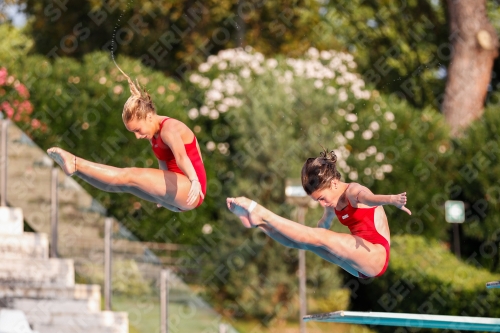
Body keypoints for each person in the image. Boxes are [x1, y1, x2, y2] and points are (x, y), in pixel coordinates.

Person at [226, 149, 411, 278]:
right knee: (305, 244)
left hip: (375, 254)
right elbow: (323, 227)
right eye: (317, 201)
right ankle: (259, 222)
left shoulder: (353, 192)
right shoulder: (331, 204)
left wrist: (391, 199)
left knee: (318, 238)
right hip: (360, 267)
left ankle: (258, 210)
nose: (322, 203)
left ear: (333, 183)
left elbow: (369, 198)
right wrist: (313, 233)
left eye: (321, 198)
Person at [47, 67, 206, 213]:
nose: (137, 136)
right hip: (179, 194)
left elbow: (181, 158)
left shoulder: (169, 129)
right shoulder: (153, 133)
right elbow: (164, 165)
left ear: (149, 117)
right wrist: (162, 194)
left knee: (130, 174)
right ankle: (77, 169)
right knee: (124, 185)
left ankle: (75, 162)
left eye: (138, 130)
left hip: (192, 188)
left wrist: (194, 181)